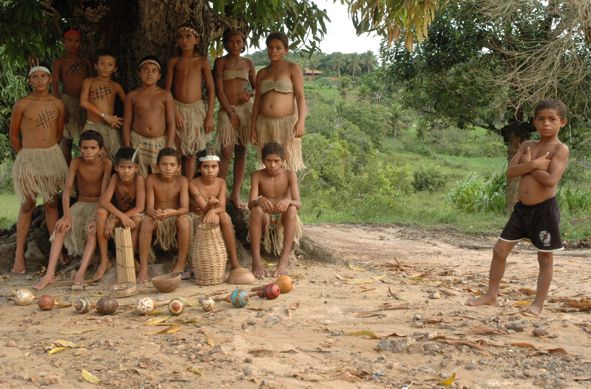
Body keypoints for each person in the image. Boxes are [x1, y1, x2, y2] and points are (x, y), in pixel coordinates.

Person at [467, 98, 570, 316]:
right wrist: (534, 164)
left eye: (552, 119)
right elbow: (511, 172)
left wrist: (529, 167)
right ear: (534, 122)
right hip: (521, 210)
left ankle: (538, 305)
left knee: (544, 257)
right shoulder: (527, 146)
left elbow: (551, 180)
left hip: (544, 211)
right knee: (499, 250)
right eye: (541, 119)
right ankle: (491, 295)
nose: (546, 124)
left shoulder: (560, 149)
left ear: (562, 122)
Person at [34, 130, 112, 290]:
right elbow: (67, 190)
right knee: (60, 228)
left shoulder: (106, 164)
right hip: (81, 204)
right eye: (84, 148)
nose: (88, 152)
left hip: (99, 206)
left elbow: (105, 193)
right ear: (80, 148)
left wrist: (96, 218)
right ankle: (49, 274)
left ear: (100, 149)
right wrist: (66, 216)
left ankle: (80, 274)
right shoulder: (76, 162)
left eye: (92, 148)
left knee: (92, 231)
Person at [9, 66, 68, 275]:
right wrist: (24, 157)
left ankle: (56, 251)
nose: (40, 80)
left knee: (52, 203)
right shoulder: (22, 104)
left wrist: (47, 153)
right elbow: (14, 135)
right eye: (35, 77)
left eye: (43, 76)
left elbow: (59, 132)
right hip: (28, 157)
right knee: (28, 204)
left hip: (51, 156)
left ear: (50, 79)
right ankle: (18, 255)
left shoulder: (58, 104)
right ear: (30, 81)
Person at [250, 32, 306, 172]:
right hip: (264, 123)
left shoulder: (293, 68)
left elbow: (300, 96)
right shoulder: (262, 73)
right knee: (268, 163)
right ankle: (268, 193)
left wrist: (301, 121)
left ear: (286, 50)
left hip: (287, 123)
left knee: (287, 161)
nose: (273, 51)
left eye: (278, 48)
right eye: (270, 47)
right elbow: (257, 101)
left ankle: (288, 194)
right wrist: (252, 128)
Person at [165, 25, 215, 179]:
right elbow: (167, 90)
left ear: (196, 40)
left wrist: (209, 116)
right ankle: (175, 186)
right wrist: (175, 111)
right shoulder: (174, 61)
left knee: (192, 151)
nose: (184, 40)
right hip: (177, 107)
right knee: (177, 149)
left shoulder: (202, 61)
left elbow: (211, 89)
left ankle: (189, 185)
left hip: (196, 109)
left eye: (188, 36)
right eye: (181, 37)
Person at [214, 29, 256, 209]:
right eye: (231, 42)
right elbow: (219, 90)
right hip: (227, 110)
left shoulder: (248, 63)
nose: (235, 46)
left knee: (242, 149)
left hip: (245, 110)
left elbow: (257, 87)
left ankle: (235, 194)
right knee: (226, 151)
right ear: (224, 44)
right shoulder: (220, 62)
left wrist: (250, 94)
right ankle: (219, 193)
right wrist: (230, 112)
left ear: (244, 43)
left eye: (239, 42)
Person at [248, 142, 302, 278]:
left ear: (283, 161)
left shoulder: (290, 174)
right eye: (269, 161)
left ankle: (283, 261)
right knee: (256, 210)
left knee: (292, 209)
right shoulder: (257, 175)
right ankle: (256, 261)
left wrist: (288, 201)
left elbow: (298, 202)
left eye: (276, 161)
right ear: (263, 160)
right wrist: (259, 199)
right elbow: (250, 203)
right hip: (265, 218)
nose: (272, 165)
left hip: (283, 218)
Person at [138, 147, 191, 282]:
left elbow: (185, 208)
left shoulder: (182, 181)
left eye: (172, 165)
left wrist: (174, 212)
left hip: (175, 216)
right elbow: (148, 208)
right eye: (164, 164)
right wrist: (155, 213)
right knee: (146, 222)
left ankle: (180, 265)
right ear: (157, 166)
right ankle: (144, 268)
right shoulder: (151, 179)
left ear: (178, 167)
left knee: (184, 221)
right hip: (158, 217)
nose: (168, 168)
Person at [95, 147, 145, 282]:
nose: (126, 171)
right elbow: (104, 201)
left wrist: (119, 218)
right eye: (122, 167)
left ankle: (130, 258)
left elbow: (140, 207)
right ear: (116, 167)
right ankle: (104, 259)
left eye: (130, 167)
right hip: (118, 213)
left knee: (136, 220)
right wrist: (118, 216)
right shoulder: (115, 177)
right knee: (100, 213)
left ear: (136, 168)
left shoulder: (139, 180)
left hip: (132, 214)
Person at [189, 150, 241, 273]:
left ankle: (234, 261)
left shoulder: (221, 182)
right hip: (198, 215)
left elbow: (222, 207)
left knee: (225, 217)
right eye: (206, 167)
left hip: (215, 212)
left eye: (214, 166)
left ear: (219, 168)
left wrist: (213, 210)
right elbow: (203, 208)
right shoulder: (193, 184)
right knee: (220, 217)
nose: (210, 170)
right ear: (199, 169)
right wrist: (210, 206)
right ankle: (205, 263)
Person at [123, 55, 175, 177]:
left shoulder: (165, 95)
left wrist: (168, 147)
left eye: (154, 70)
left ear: (159, 76)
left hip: (159, 142)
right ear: (139, 73)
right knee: (139, 176)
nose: (149, 74)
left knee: (160, 176)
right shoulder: (132, 95)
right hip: (138, 141)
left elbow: (171, 122)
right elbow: (127, 123)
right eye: (145, 70)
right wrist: (127, 146)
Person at [52, 28, 92, 164]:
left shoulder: (86, 62)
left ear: (81, 43)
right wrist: (60, 107)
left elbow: (92, 83)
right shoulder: (59, 62)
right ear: (64, 42)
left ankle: (84, 170)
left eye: (76, 41)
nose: (73, 44)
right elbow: (55, 85)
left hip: (84, 102)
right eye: (69, 40)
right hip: (66, 101)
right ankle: (67, 174)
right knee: (66, 138)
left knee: (86, 138)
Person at [80, 51, 126, 161]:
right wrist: (104, 115)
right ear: (96, 66)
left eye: (110, 65)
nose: (105, 67)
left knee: (112, 159)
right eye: (102, 64)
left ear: (115, 69)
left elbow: (128, 104)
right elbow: (83, 102)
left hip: (110, 127)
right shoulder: (89, 82)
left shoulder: (115, 86)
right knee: (92, 159)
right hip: (92, 126)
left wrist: (123, 121)